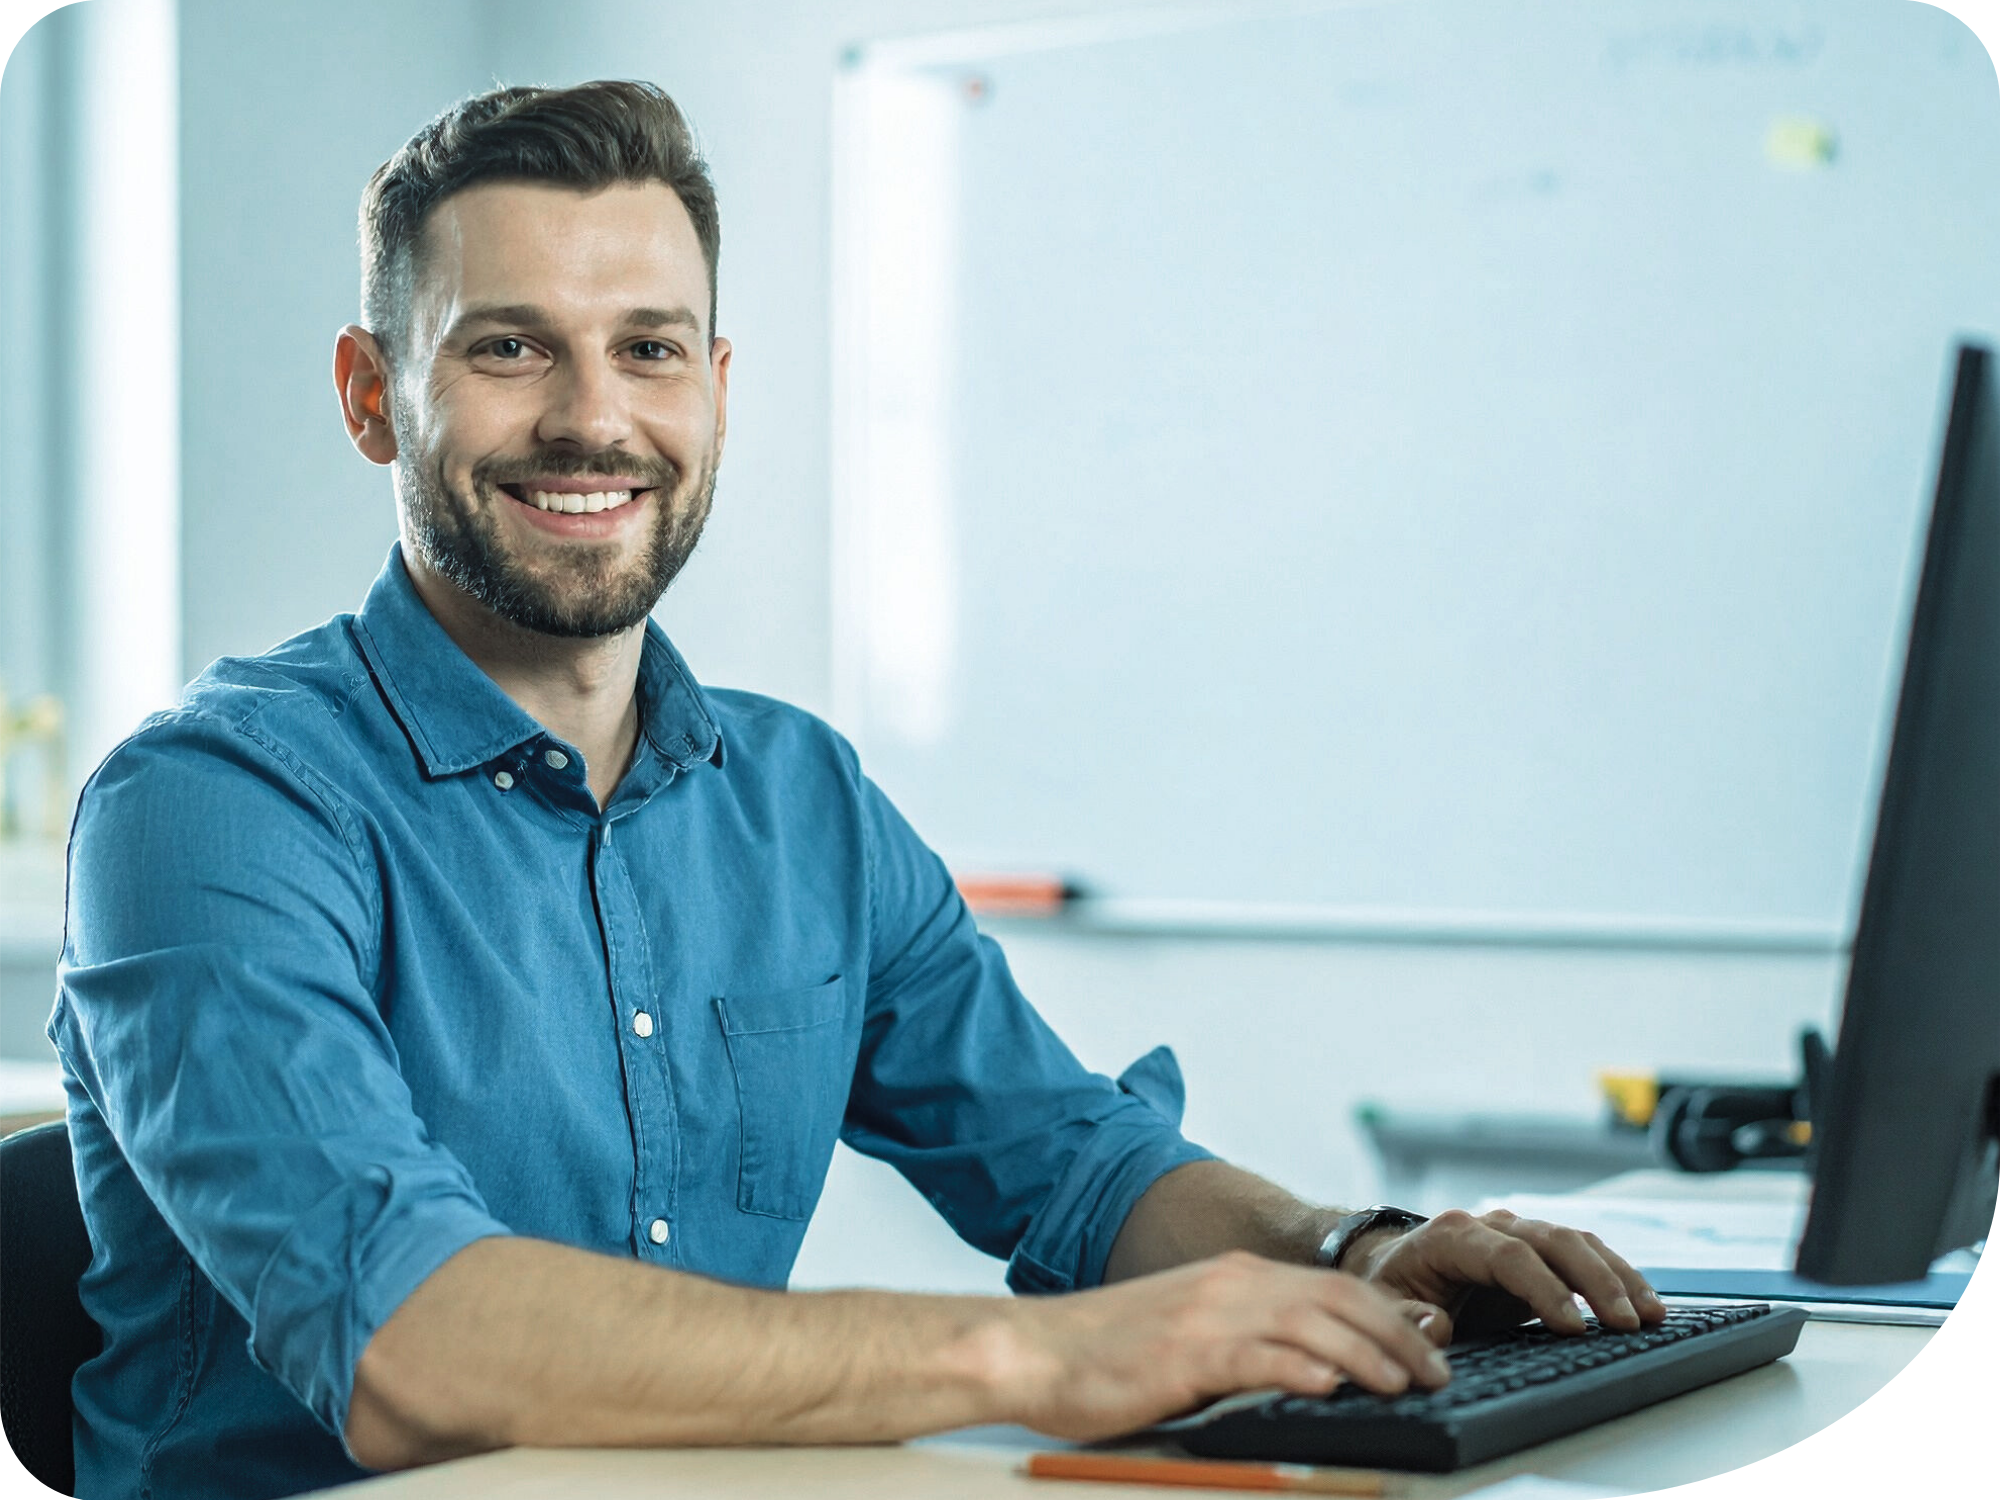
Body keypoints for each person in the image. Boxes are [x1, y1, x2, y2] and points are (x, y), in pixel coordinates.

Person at [52, 81, 1664, 1500]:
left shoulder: (797, 796)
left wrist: (1351, 1250)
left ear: (717, 389)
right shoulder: (210, 810)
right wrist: (1042, 1363)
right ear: (368, 395)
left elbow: (1078, 1165)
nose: (592, 416)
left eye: (650, 350)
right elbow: (415, 1346)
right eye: (508, 346)